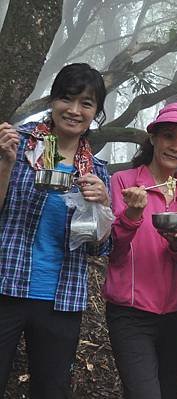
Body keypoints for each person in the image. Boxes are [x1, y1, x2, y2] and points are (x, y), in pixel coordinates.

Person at [0, 63, 110, 398]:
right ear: (53, 100)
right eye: (67, 98)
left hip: (61, 298)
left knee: (52, 389)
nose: (75, 110)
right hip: (6, 285)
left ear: (95, 113)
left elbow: (98, 247)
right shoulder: (16, 145)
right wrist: (4, 163)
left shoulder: (96, 170)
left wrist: (101, 205)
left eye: (86, 103)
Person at [103, 102, 177, 399]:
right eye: (168, 136)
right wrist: (132, 216)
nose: (175, 147)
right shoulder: (123, 183)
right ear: (153, 138)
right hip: (130, 312)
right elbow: (111, 250)